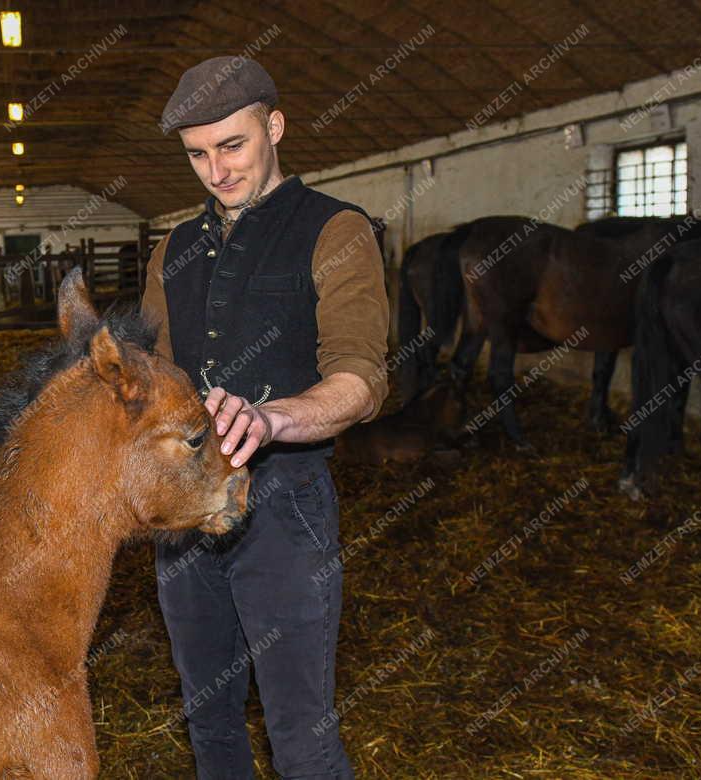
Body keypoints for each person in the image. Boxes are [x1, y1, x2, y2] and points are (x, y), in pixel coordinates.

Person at [141, 55, 390, 779]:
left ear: (274, 127)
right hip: (185, 510)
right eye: (197, 154)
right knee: (208, 718)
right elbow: (158, 376)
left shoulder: (335, 230)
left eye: (233, 145)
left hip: (285, 505)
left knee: (300, 732)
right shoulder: (173, 249)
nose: (216, 170)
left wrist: (274, 419)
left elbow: (360, 380)